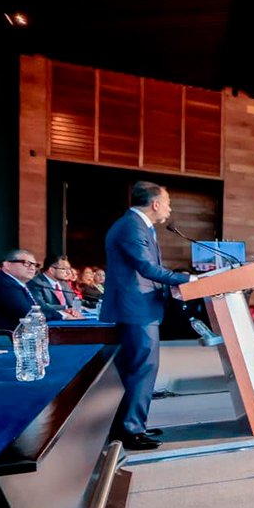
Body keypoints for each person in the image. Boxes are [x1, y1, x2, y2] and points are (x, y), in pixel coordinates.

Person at [100, 182, 197, 451]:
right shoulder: (133, 225)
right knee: (142, 368)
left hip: (137, 309)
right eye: (167, 202)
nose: (169, 207)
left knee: (136, 369)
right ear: (155, 204)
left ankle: (129, 425)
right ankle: (131, 431)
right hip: (135, 310)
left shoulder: (137, 225)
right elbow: (146, 268)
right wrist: (189, 279)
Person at [0, 250, 80, 332]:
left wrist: (63, 313)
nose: (32, 268)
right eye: (26, 263)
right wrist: (62, 315)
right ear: (7, 265)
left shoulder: (15, 283)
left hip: (10, 336)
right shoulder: (4, 284)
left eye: (35, 265)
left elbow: (36, 307)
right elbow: (28, 313)